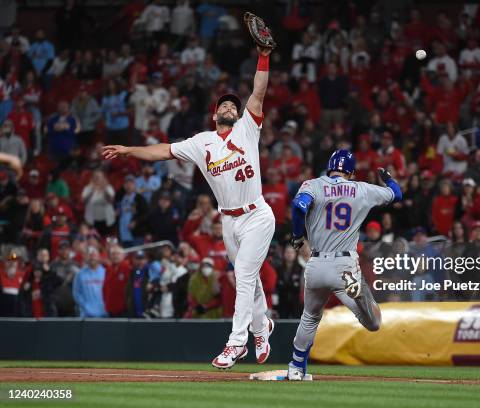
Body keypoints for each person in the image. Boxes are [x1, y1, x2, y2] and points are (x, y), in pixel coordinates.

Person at [102, 42, 276, 369]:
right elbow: (163, 151)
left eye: (232, 105)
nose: (228, 106)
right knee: (247, 279)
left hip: (257, 215)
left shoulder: (248, 128)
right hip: (228, 220)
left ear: (237, 114)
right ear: (214, 114)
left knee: (243, 273)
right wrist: (128, 150)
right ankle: (261, 326)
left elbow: (259, 90)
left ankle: (236, 343)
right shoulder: (201, 143)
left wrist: (264, 55)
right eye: (223, 104)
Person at [286, 149, 402, 380]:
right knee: (374, 322)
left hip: (316, 264)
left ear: (330, 166)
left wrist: (298, 236)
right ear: (351, 171)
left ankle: (296, 367)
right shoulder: (362, 189)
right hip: (345, 267)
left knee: (310, 317)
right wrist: (388, 178)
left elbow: (299, 206)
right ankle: (360, 294)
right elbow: (396, 195)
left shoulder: (313, 184)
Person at [72, 246, 107, 318]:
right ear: (87, 258)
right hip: (86, 315)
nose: (92, 258)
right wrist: (85, 306)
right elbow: (76, 294)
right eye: (90, 255)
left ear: (99, 257)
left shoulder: (106, 272)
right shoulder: (80, 274)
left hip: (104, 313)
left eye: (94, 255)